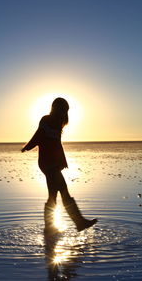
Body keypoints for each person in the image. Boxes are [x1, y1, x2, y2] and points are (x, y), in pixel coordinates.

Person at [21, 97, 97, 233]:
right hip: (47, 163)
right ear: (56, 108)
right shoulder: (46, 120)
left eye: (66, 111)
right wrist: (27, 147)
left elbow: (57, 145)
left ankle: (50, 227)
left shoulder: (59, 123)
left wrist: (62, 161)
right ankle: (78, 222)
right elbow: (38, 136)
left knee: (53, 195)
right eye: (63, 110)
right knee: (64, 192)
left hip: (54, 163)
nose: (64, 113)